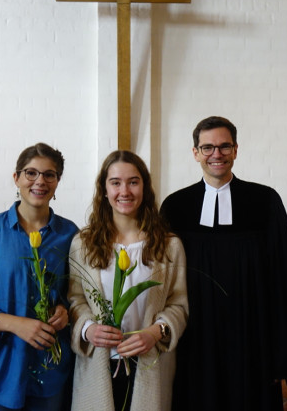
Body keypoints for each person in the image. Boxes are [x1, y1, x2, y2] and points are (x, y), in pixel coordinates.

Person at [160, 116, 287, 411]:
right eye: (207, 147)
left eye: (224, 147)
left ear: (236, 150)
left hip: (253, 339)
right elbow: (163, 280)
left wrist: (282, 353)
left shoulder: (265, 201)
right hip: (195, 339)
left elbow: (284, 279)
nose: (217, 155)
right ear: (195, 152)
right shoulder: (175, 207)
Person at [0, 143, 78, 411]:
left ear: (58, 181)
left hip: (49, 366)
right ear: (17, 178)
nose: (40, 181)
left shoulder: (70, 234)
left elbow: (75, 296)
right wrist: (17, 325)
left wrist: (64, 310)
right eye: (31, 173)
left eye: (50, 174)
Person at [68, 150, 188, 411]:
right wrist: (89, 329)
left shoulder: (169, 246)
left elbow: (179, 304)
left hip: (149, 361)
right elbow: (75, 300)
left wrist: (156, 332)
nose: (125, 191)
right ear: (104, 189)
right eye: (116, 182)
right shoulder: (84, 244)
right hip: (98, 362)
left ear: (144, 186)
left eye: (133, 182)